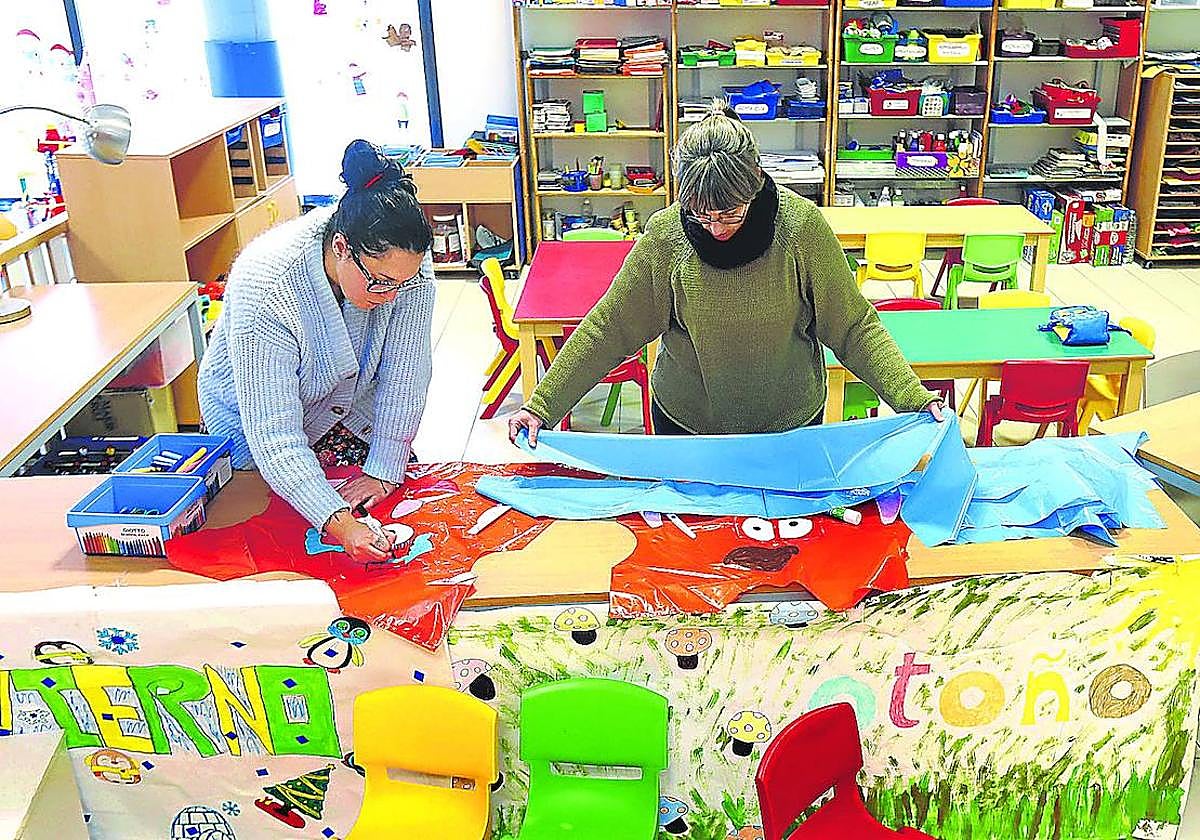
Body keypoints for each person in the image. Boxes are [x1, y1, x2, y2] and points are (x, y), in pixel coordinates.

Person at [509, 102, 943, 446]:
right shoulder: (666, 237)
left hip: (788, 429)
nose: (716, 228)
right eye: (702, 215)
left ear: (755, 181)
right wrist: (542, 406)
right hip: (688, 427)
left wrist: (912, 397)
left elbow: (854, 327)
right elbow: (609, 328)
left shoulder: (801, 229)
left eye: (730, 213)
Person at [199, 139, 434, 563]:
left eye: (402, 283)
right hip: (254, 429)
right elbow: (274, 436)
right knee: (269, 544)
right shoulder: (267, 286)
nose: (391, 296)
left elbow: (406, 378)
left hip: (347, 414)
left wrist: (383, 470)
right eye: (380, 283)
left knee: (391, 506)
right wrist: (339, 524)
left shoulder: (402, 261)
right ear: (341, 248)